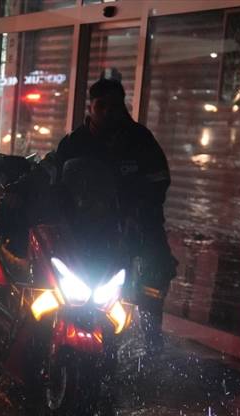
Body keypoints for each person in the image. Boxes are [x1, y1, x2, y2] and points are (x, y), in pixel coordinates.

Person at [55, 76, 177, 346]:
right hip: (88, 227)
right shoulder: (74, 143)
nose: (108, 112)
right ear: (90, 108)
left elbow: (159, 181)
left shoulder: (141, 140)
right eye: (102, 106)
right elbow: (55, 179)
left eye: (114, 106)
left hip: (138, 223)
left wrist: (140, 209)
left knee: (155, 269)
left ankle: (151, 340)